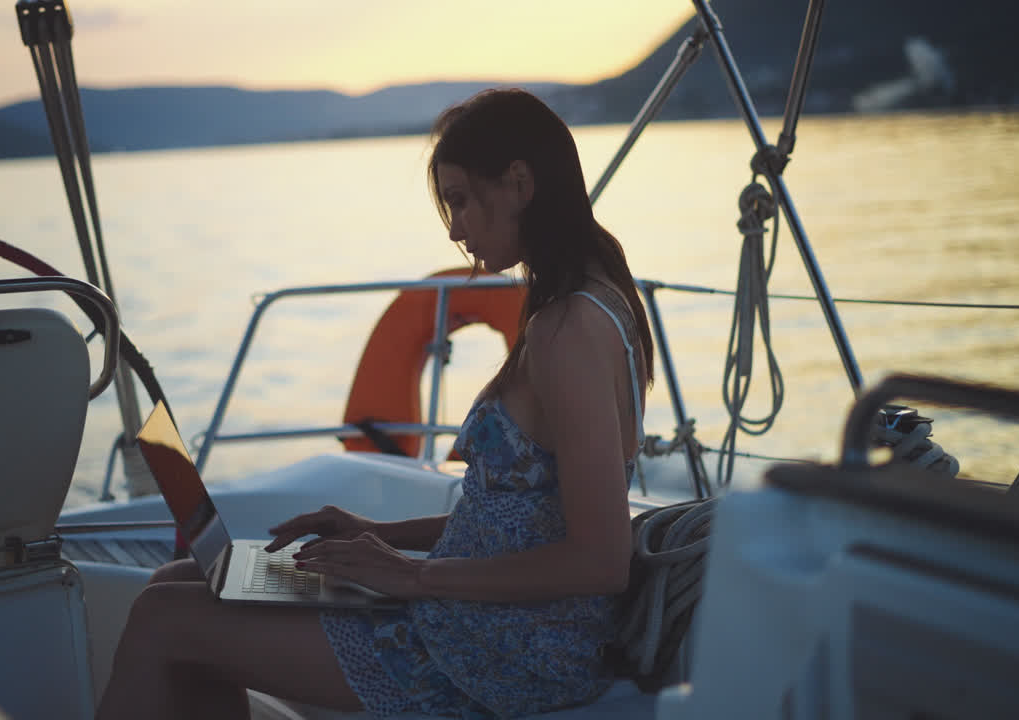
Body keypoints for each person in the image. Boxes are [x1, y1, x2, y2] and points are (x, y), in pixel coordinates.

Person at [94, 87, 656, 720]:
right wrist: (376, 535)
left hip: (511, 654)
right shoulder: (588, 301)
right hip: (491, 621)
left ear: (519, 183)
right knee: (177, 584)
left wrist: (411, 576)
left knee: (163, 616)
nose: (454, 228)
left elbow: (600, 558)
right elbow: (523, 519)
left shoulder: (570, 328)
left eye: (462, 200)